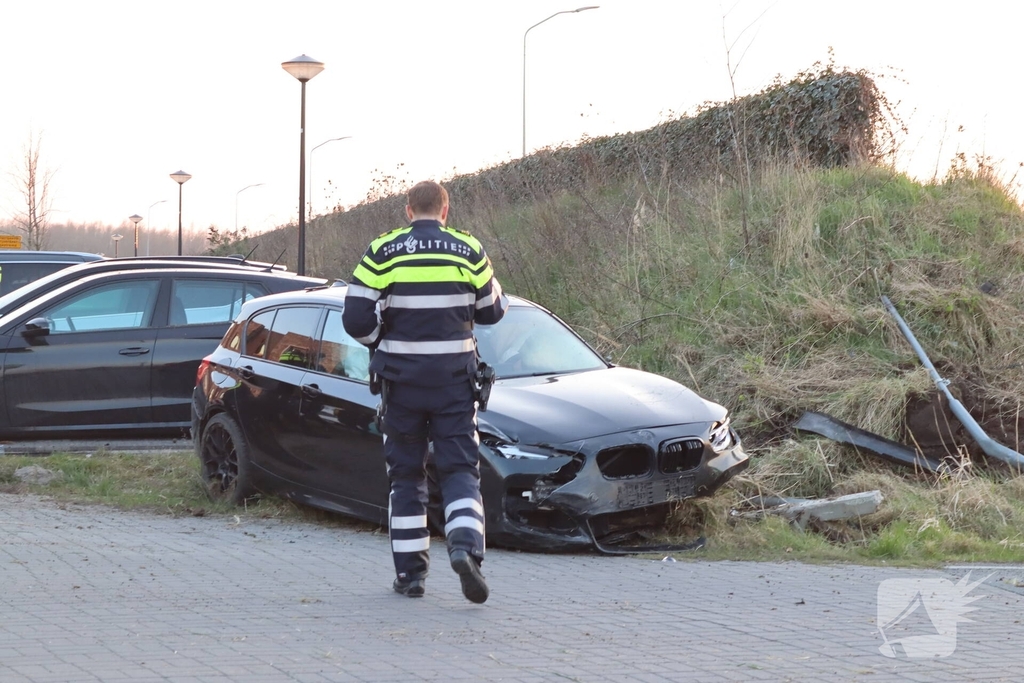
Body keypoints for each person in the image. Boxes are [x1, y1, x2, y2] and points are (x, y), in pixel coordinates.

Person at [342, 180, 508, 603]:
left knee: (406, 476)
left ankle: (411, 577)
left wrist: (381, 336)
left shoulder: (382, 250)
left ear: (408, 210)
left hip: (400, 386)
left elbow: (355, 318)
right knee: (459, 471)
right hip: (454, 385)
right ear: (446, 211)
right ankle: (464, 547)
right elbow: (493, 311)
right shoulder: (468, 248)